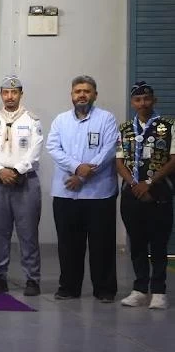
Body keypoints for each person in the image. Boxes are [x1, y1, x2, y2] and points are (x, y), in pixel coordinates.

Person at [46, 75, 120, 302]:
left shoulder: (106, 119)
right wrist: (77, 168)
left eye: (87, 91)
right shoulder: (60, 120)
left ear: (95, 95)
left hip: (100, 193)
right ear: (71, 95)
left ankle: (104, 289)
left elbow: (109, 150)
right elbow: (53, 148)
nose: (82, 95)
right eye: (78, 91)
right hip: (66, 193)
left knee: (102, 245)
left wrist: (84, 175)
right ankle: (69, 287)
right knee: (68, 244)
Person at [0, 75, 44, 296]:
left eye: (14, 92)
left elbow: (35, 150)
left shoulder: (32, 120)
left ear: (21, 94)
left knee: (28, 233)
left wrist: (16, 170)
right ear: (1, 94)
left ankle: (32, 279)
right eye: (6, 92)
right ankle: (0, 277)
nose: (10, 96)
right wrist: (0, 170)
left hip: (25, 181)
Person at [116, 82, 173, 310]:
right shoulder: (125, 129)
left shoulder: (168, 126)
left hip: (159, 192)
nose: (143, 103)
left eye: (147, 99)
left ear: (154, 100)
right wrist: (133, 183)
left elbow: (174, 159)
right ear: (132, 103)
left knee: (158, 244)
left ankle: (158, 291)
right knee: (137, 243)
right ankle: (139, 289)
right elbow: (119, 161)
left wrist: (149, 183)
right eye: (138, 100)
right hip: (132, 194)